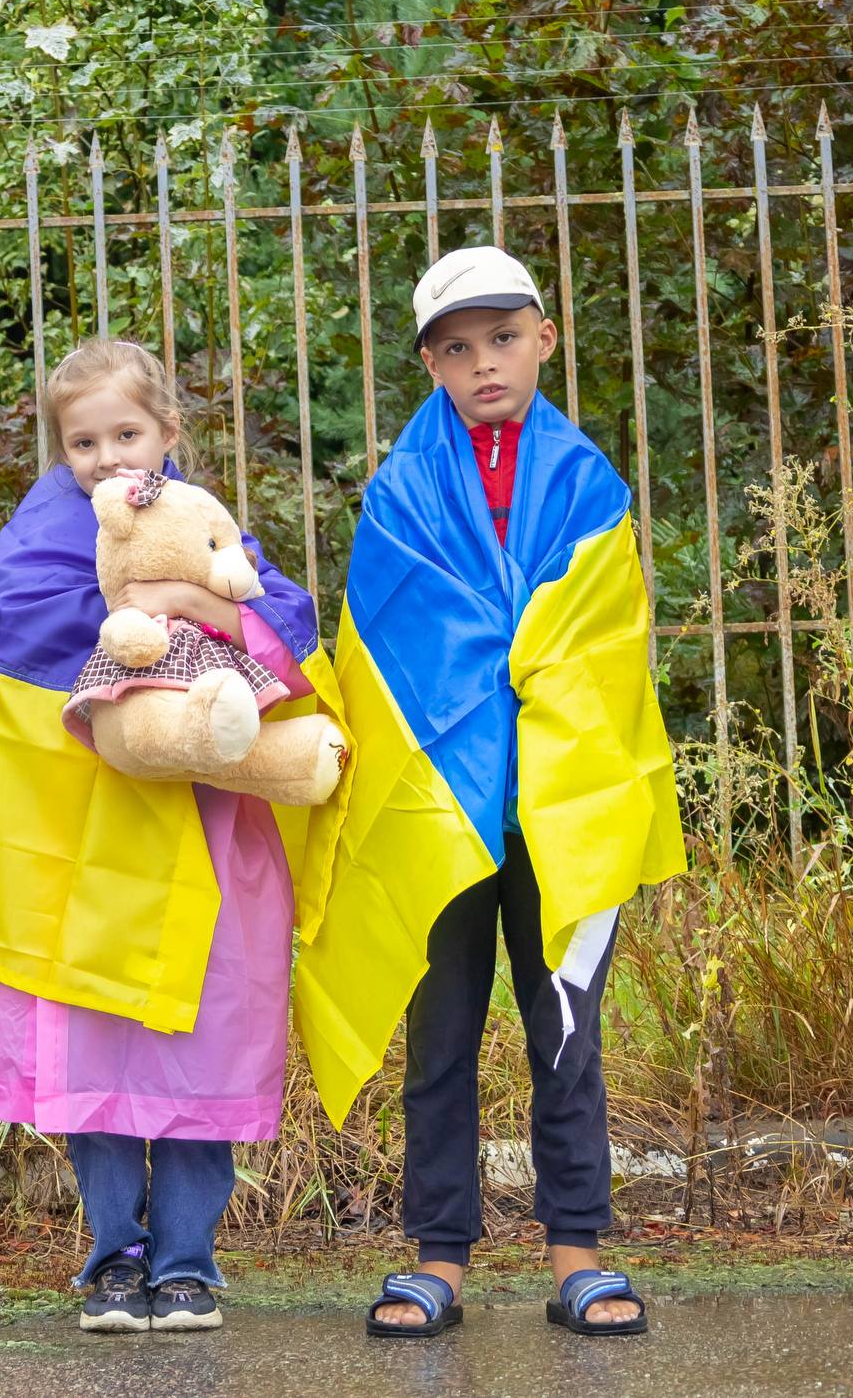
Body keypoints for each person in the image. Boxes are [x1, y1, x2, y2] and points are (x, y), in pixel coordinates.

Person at [291, 245, 686, 1342]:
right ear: (430, 364)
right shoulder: (401, 490)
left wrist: (528, 649)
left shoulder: (589, 483)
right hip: (440, 811)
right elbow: (390, 637)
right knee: (441, 1041)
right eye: (457, 348)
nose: (484, 364)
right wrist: (509, 645)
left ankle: (578, 1256)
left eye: (504, 338)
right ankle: (439, 1259)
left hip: (561, 809)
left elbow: (601, 635)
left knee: (566, 1038)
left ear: (544, 339)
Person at [0, 338, 347, 1335]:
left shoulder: (198, 518)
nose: (105, 457)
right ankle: (112, 1258)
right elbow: (2, 617)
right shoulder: (41, 535)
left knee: (198, 1051)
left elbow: (285, 617)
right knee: (95, 1060)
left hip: (201, 839)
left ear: (168, 432)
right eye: (81, 441)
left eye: (125, 433)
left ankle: (186, 1263)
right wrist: (142, 616)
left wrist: (181, 602)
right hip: (88, 843)